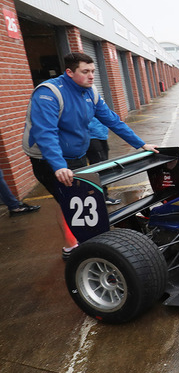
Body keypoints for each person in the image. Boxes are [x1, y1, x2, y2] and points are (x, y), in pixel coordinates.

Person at [22, 52, 158, 256]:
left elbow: (113, 120)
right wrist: (59, 166)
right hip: (47, 159)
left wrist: (141, 144)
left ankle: (84, 241)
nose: (92, 76)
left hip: (75, 154)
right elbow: (45, 133)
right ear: (69, 72)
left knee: (77, 199)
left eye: (93, 71)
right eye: (85, 71)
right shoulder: (48, 94)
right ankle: (72, 247)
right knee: (69, 200)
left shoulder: (90, 92)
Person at [86, 117, 120, 205]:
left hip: (101, 135)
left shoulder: (96, 103)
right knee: (99, 168)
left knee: (104, 166)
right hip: (91, 136)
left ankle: (102, 196)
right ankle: (102, 197)